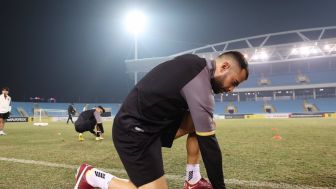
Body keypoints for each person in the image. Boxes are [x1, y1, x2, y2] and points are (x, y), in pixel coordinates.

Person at [75, 51, 249, 189]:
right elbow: (209, 146)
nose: (231, 89)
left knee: (204, 123)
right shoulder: (200, 82)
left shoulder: (195, 64)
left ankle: (192, 180)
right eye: (234, 82)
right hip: (132, 130)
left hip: (152, 125)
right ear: (224, 66)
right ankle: (90, 175)